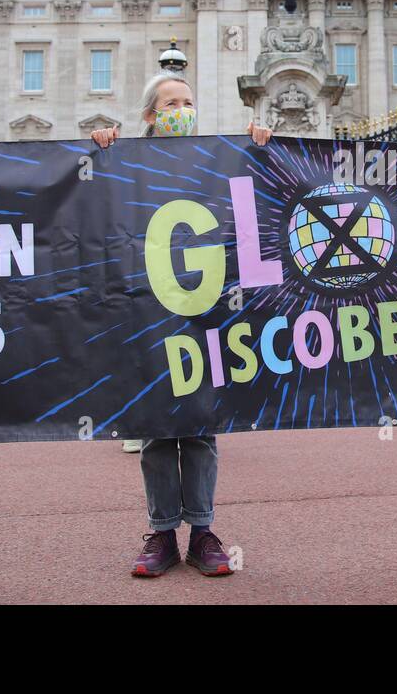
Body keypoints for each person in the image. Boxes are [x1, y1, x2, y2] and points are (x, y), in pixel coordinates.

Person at [91, 69, 272, 577]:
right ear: (151, 115)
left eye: (187, 100)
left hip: (206, 305)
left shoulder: (211, 156)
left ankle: (203, 529)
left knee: (200, 426)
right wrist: (102, 146)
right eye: (171, 102)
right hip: (148, 307)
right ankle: (162, 532)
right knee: (154, 426)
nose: (181, 109)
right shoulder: (127, 158)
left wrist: (261, 149)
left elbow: (256, 192)